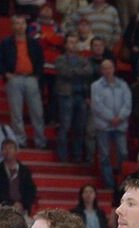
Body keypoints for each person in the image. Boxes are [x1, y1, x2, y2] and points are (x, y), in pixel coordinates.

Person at [0, 13, 47, 150]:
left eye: (22, 23)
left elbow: (41, 61)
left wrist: (36, 75)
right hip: (14, 79)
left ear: (26, 25)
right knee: (16, 113)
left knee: (37, 112)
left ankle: (40, 141)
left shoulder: (33, 42)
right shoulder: (5, 43)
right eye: (17, 23)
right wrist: (6, 74)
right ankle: (20, 141)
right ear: (12, 26)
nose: (20, 26)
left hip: (31, 78)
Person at [53, 33, 95, 165]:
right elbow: (63, 72)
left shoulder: (84, 59)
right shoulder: (60, 59)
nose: (73, 45)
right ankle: (62, 156)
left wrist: (73, 72)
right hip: (66, 95)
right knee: (65, 126)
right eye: (70, 42)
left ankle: (77, 156)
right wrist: (78, 72)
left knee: (79, 127)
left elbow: (89, 71)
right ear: (65, 45)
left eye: (75, 42)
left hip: (81, 96)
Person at [92, 59, 132, 189]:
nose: (107, 70)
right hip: (104, 126)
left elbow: (128, 103)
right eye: (105, 68)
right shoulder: (96, 86)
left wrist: (119, 117)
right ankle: (109, 184)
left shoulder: (123, 85)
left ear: (114, 68)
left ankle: (122, 182)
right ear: (101, 70)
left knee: (123, 153)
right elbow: (97, 106)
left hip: (120, 125)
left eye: (110, 67)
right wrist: (111, 118)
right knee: (104, 156)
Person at [0, 139, 38, 215]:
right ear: (1, 152)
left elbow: (31, 190)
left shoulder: (24, 170)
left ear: (16, 151)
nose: (8, 151)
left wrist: (22, 204)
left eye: (10, 148)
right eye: (5, 148)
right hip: (1, 211)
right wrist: (11, 204)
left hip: (22, 210)